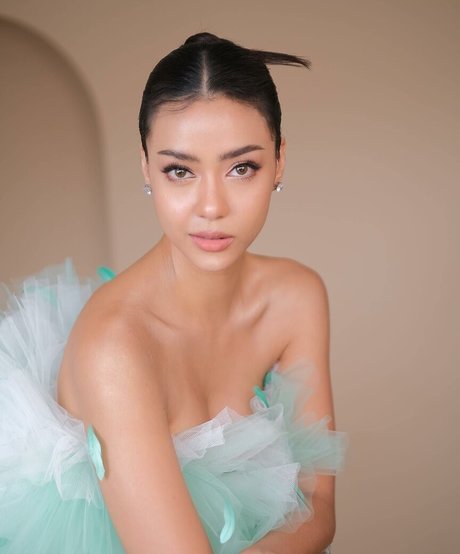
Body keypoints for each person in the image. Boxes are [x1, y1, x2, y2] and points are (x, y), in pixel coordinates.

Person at [0, 32, 348, 553]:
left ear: (278, 161)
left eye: (241, 167)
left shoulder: (296, 298)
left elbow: (317, 509)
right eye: (180, 171)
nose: (211, 206)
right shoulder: (116, 348)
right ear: (147, 168)